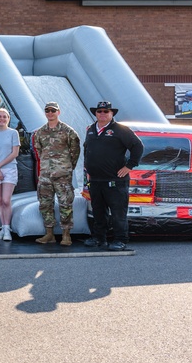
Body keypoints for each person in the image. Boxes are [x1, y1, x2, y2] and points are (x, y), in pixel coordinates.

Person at [83, 101, 144, 251]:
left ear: (112, 114)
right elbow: (87, 149)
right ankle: (99, 238)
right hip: (96, 179)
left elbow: (138, 146)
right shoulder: (91, 129)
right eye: (99, 111)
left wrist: (129, 166)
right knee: (98, 211)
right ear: (95, 113)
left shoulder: (120, 130)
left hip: (115, 180)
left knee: (118, 212)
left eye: (106, 111)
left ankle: (120, 239)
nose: (102, 114)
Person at [31, 101, 81, 246]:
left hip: (63, 175)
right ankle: (49, 234)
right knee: (45, 204)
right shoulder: (40, 132)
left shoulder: (68, 131)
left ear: (58, 112)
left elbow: (75, 151)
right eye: (47, 110)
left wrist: (66, 167)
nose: (50, 113)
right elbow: (39, 151)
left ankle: (66, 235)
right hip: (45, 175)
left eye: (53, 110)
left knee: (65, 204)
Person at [0, 108, 20, 241]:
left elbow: (14, 153)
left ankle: (7, 229)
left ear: (8, 119)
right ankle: (3, 228)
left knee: (6, 200)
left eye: (4, 117)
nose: (1, 119)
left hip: (9, 169)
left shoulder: (14, 133)